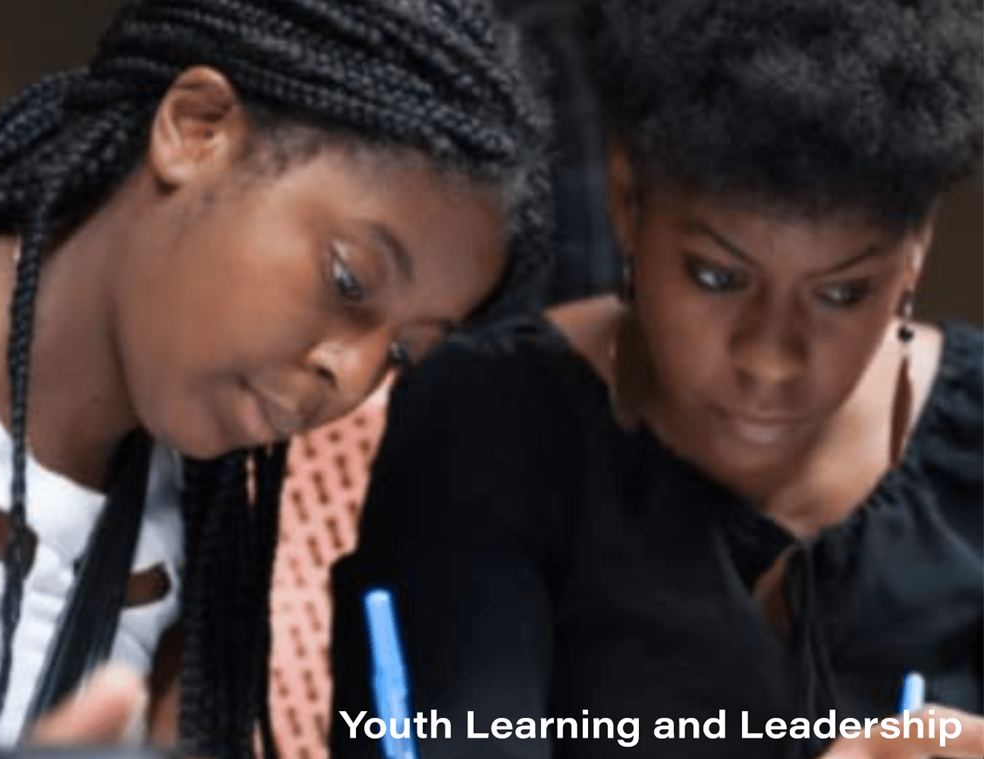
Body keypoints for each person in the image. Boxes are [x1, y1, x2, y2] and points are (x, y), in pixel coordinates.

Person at [329, 0, 983, 757]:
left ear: (917, 248)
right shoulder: (487, 429)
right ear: (626, 200)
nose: (768, 358)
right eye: (716, 276)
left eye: (842, 293)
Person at [0, 0, 550, 755]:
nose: (352, 375)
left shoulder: (190, 552)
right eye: (348, 280)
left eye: (404, 353)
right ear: (197, 128)